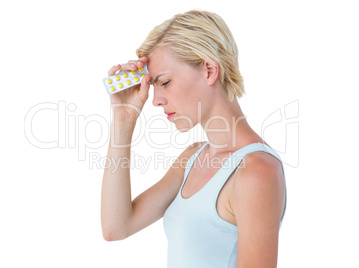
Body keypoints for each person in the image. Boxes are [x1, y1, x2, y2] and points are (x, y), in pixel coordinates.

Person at [101, 9, 287, 268]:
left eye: (164, 82)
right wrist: (123, 120)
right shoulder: (193, 157)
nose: (155, 100)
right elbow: (116, 226)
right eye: (153, 86)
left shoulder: (257, 171)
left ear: (210, 70)